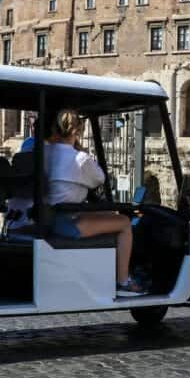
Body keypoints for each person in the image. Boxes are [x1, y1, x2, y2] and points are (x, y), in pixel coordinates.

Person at [42, 108, 146, 295]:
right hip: (66, 222)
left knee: (107, 216)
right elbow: (100, 179)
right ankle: (123, 280)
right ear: (77, 131)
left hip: (49, 217)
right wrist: (81, 150)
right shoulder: (80, 158)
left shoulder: (48, 153)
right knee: (123, 223)